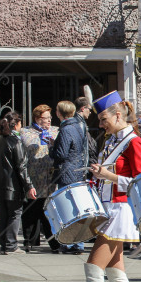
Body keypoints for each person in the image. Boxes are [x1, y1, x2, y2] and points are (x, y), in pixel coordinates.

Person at [68, 91, 141, 282]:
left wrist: (109, 176)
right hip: (108, 209)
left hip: (121, 210)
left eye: (104, 119)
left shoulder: (134, 142)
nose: (100, 124)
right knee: (116, 272)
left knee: (93, 266)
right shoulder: (112, 140)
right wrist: (99, 175)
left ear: (117, 115)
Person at [0, 112, 37, 255]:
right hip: (12, 185)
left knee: (4, 214)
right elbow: (21, 166)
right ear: (17, 124)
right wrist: (29, 186)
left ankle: (4, 244)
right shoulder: (15, 141)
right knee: (14, 214)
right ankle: (11, 245)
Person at [50, 100, 90, 254]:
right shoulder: (77, 127)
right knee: (76, 208)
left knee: (67, 209)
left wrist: (51, 149)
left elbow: (61, 154)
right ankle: (77, 243)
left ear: (59, 113)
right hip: (77, 171)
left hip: (67, 173)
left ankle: (70, 243)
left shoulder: (66, 129)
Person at [21, 104, 60, 253]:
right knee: (30, 211)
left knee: (49, 212)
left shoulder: (56, 131)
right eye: (46, 118)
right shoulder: (25, 132)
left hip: (50, 178)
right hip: (33, 178)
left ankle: (54, 243)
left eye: (50, 117)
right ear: (37, 118)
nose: (49, 120)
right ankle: (29, 242)